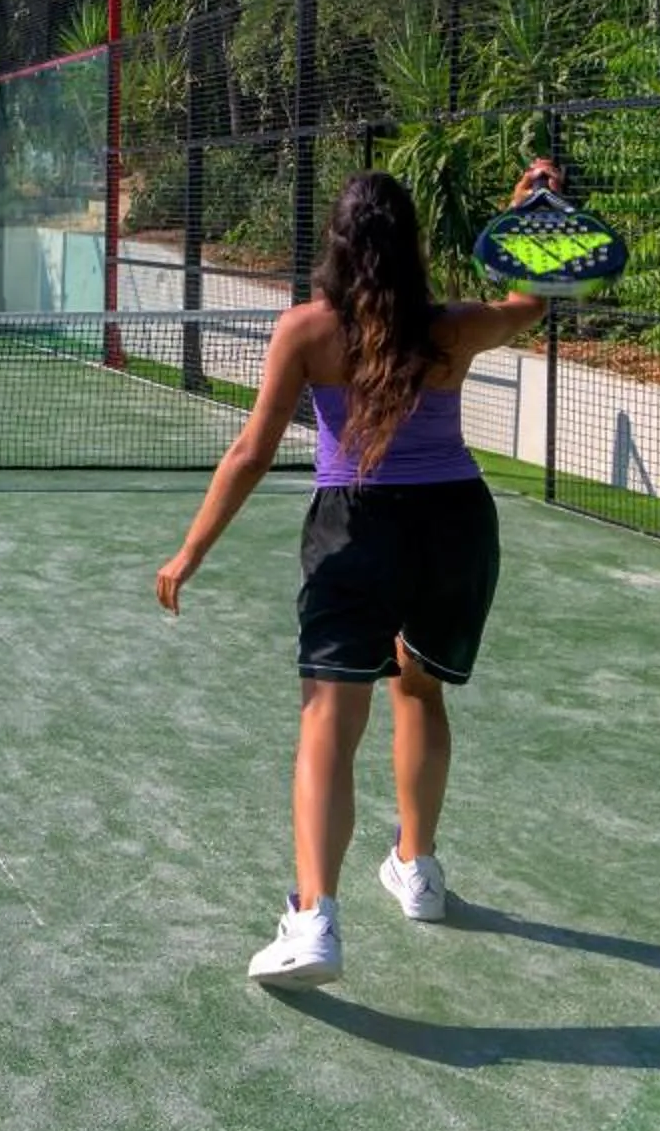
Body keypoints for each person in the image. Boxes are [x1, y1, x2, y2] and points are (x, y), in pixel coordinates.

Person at [156, 162, 561, 990]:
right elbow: (532, 304)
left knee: (327, 723)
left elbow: (251, 450)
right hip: (455, 525)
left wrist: (190, 549)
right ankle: (417, 869)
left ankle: (313, 920)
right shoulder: (450, 326)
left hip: (359, 527)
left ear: (336, 246)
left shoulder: (307, 331)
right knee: (419, 690)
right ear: (411, 247)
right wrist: (528, 222)